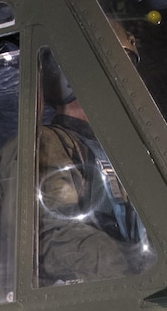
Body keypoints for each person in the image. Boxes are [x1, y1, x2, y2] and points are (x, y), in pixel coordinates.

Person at [34, 47, 154, 286]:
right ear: (75, 80)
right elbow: (51, 240)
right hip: (108, 294)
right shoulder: (49, 145)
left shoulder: (115, 149)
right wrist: (130, 273)